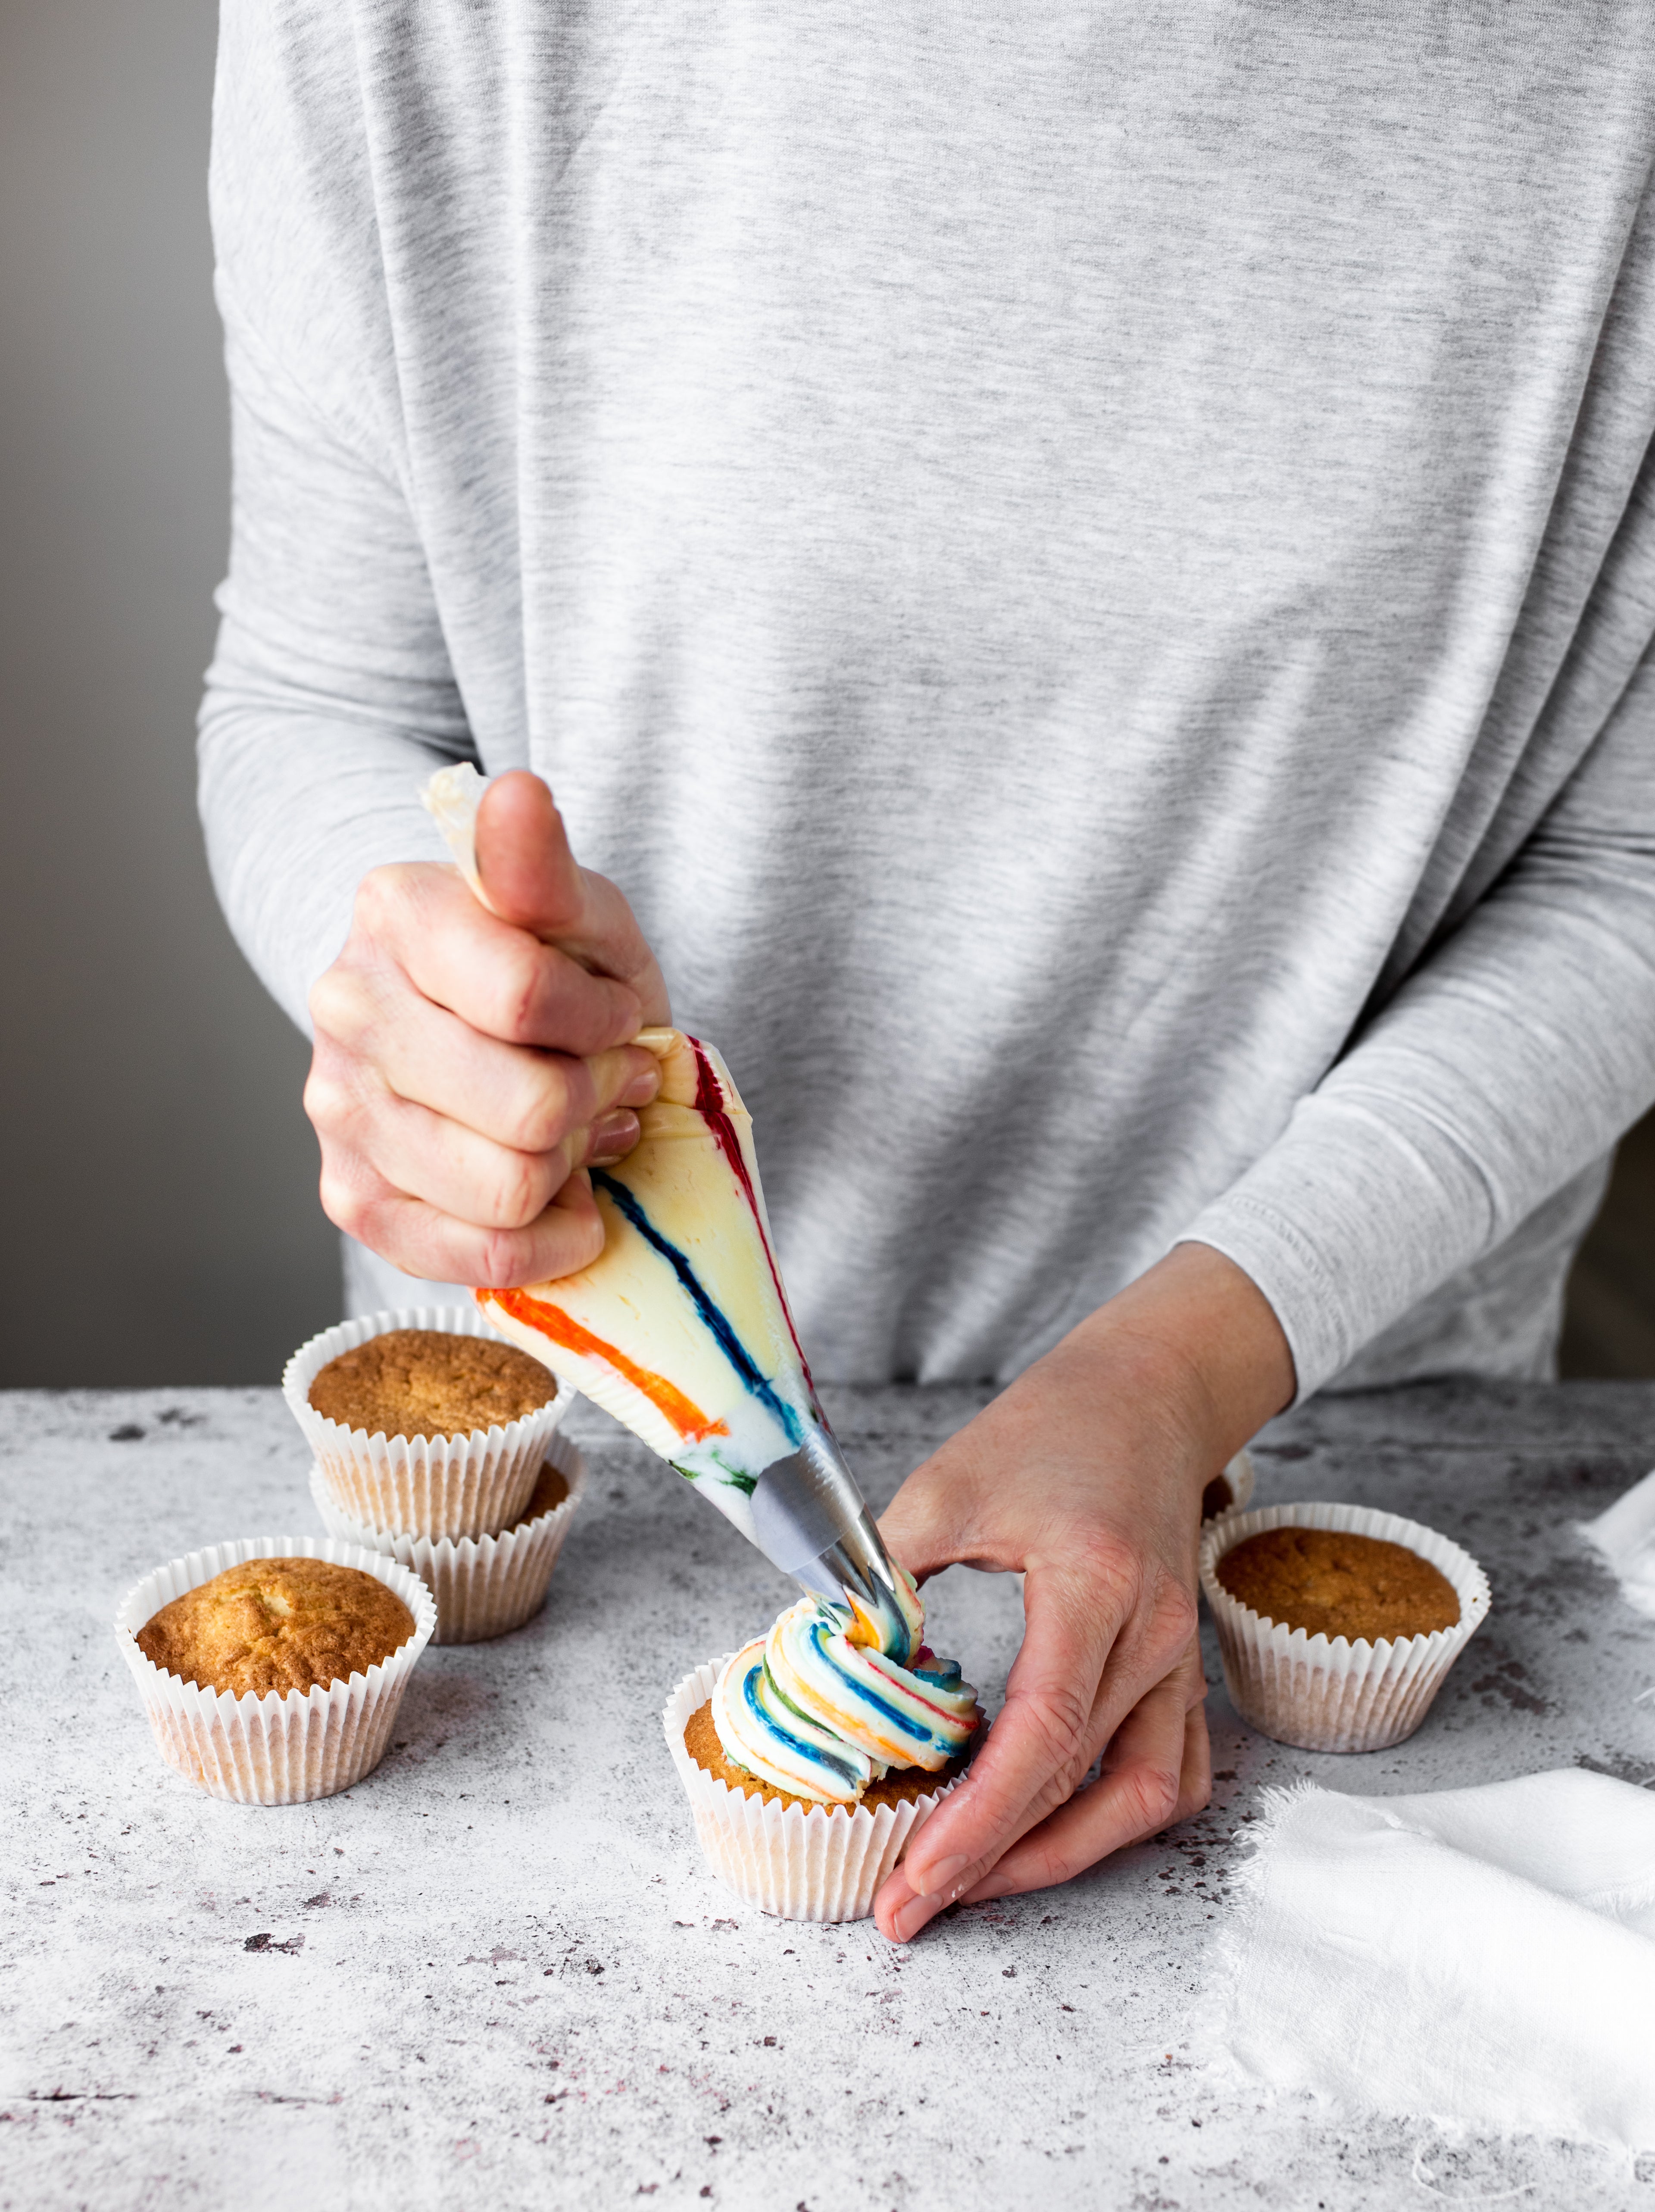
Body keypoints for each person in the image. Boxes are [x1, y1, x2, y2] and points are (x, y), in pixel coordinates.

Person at [199, 5, 1655, 1943]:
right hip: (554, 1494)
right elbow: (314, 699)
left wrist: (1182, 1364)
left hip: (1308, 1481)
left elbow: (1623, 867)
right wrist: (414, 975)